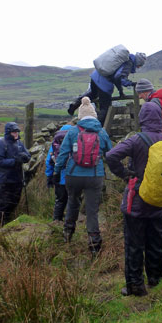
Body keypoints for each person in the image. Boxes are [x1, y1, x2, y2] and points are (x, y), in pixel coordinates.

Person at [106, 101, 162, 296]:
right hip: (160, 201)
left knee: (134, 244)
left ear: (142, 119)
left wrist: (125, 174)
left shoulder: (135, 140)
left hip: (137, 200)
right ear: (160, 119)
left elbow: (111, 156)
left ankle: (135, 286)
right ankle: (157, 281)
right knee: (157, 242)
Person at [54, 97, 113, 257]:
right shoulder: (101, 132)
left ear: (80, 116)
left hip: (73, 175)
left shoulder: (73, 131)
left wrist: (57, 171)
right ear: (94, 115)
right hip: (95, 175)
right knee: (92, 210)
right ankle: (94, 244)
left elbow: (63, 153)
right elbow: (111, 152)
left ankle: (67, 234)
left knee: (73, 202)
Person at [67, 52, 147, 122]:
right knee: (105, 108)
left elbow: (116, 78)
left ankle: (74, 105)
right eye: (139, 66)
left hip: (96, 75)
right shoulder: (128, 63)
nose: (138, 68)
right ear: (138, 63)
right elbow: (119, 77)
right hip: (103, 82)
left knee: (92, 94)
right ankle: (97, 128)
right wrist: (131, 83)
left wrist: (120, 91)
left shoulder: (124, 59)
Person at [0, 122, 31, 226]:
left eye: (17, 132)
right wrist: (15, 161)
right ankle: (0, 227)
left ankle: (8, 225)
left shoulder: (19, 143)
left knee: (14, 203)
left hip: (17, 180)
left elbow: (28, 155)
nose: (16, 134)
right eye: (14, 132)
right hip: (5, 181)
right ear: (8, 132)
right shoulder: (1, 143)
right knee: (3, 205)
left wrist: (26, 157)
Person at [45, 123, 75, 222]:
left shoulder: (55, 143)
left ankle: (56, 221)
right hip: (73, 177)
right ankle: (70, 223)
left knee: (60, 200)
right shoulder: (75, 140)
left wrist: (49, 176)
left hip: (59, 177)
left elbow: (49, 161)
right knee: (73, 201)